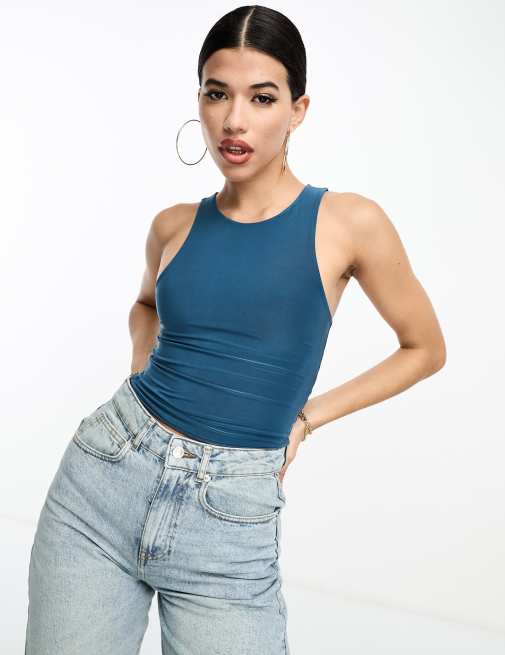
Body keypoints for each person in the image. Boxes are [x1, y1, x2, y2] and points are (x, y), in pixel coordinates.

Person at [24, 5, 446, 654]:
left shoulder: (347, 223)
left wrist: (306, 419)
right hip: (102, 483)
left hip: (230, 514)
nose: (234, 120)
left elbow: (424, 348)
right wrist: (142, 365)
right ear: (199, 99)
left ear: (298, 110)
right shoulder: (172, 225)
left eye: (261, 98)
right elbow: (145, 305)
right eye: (217, 94)